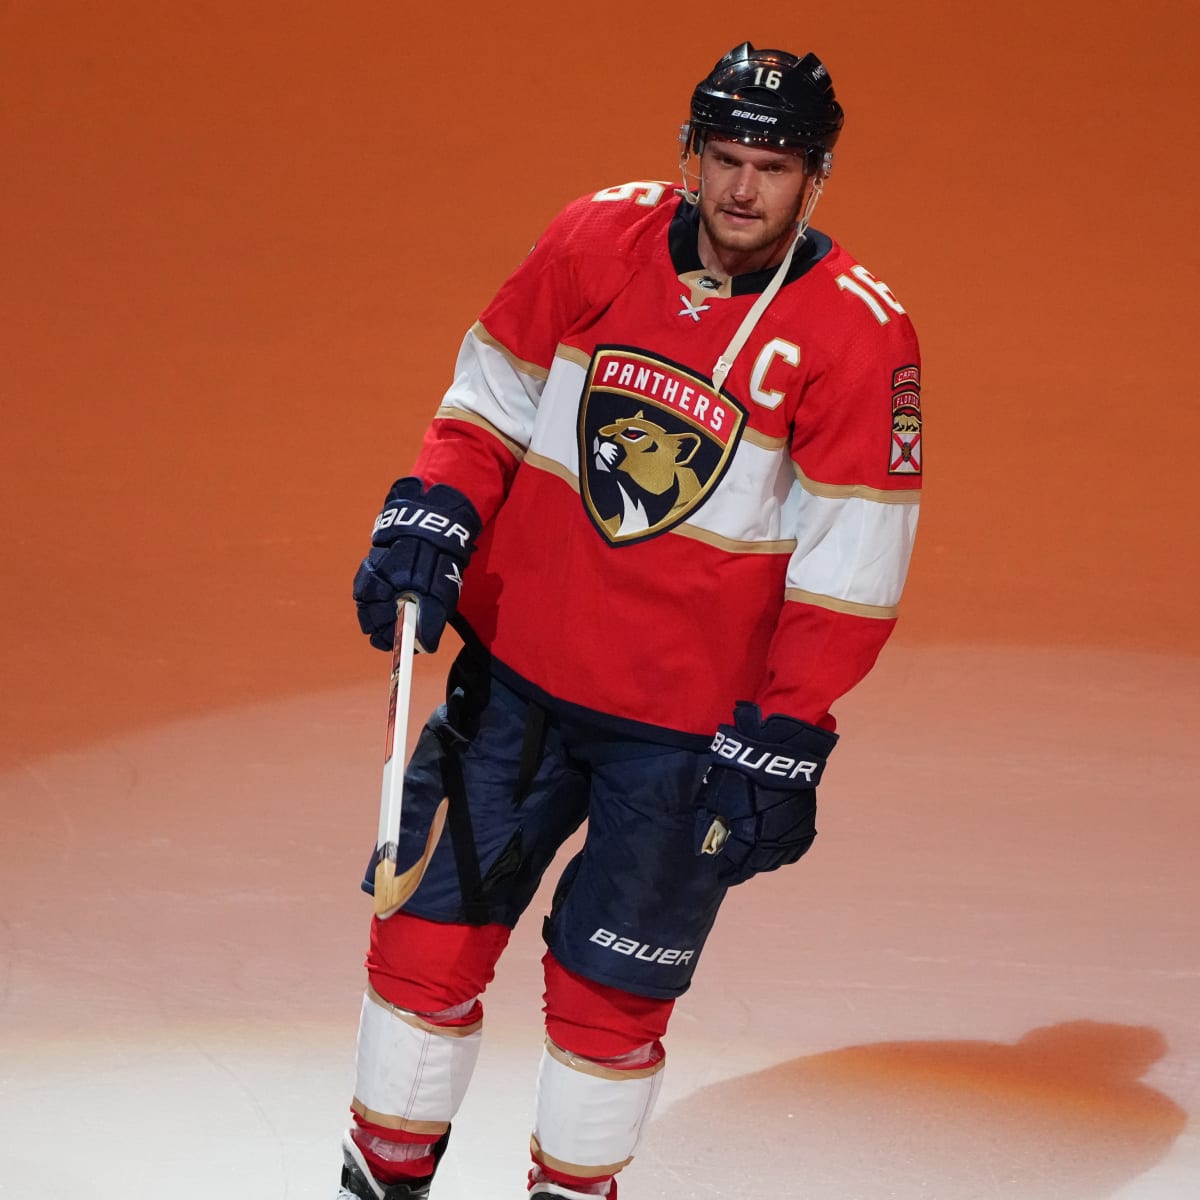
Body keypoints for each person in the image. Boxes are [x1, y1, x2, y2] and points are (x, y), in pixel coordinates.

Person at [338, 40, 922, 1200]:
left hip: (683, 732)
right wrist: (436, 507)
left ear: (817, 180)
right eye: (724, 158)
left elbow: (855, 552)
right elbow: (492, 392)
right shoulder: (593, 237)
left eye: (772, 166)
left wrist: (792, 727)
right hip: (517, 677)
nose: (742, 190)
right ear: (689, 155)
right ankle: (379, 1182)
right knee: (422, 943)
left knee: (612, 993)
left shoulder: (860, 331)